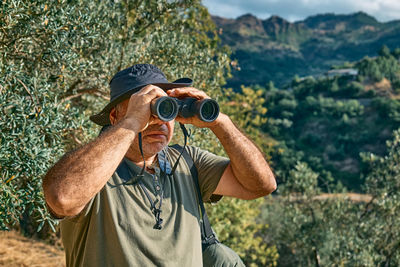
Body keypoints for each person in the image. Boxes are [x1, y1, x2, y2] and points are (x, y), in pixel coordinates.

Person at [43, 64, 276, 267]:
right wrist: (133, 122)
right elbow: (62, 197)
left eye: (165, 108)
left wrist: (220, 122)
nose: (160, 121)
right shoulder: (94, 172)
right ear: (115, 116)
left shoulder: (188, 161)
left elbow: (261, 185)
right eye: (147, 108)